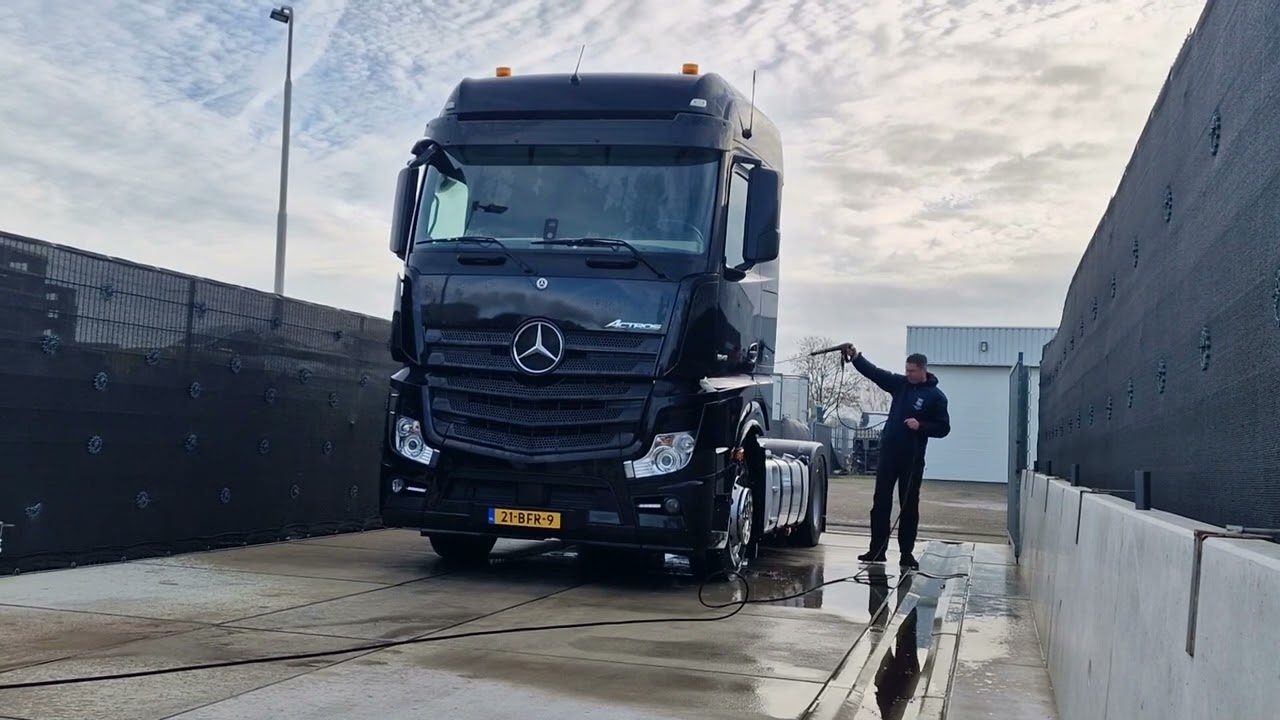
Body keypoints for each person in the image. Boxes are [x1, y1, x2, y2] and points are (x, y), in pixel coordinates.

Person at [840, 344, 950, 568]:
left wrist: (921, 425)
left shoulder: (936, 397)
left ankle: (906, 553)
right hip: (889, 454)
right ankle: (877, 550)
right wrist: (856, 357)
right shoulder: (900, 385)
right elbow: (876, 373)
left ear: (923, 370)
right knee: (880, 502)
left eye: (912, 371)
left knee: (909, 505)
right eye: (906, 370)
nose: (908, 374)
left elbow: (943, 428)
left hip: (912, 459)